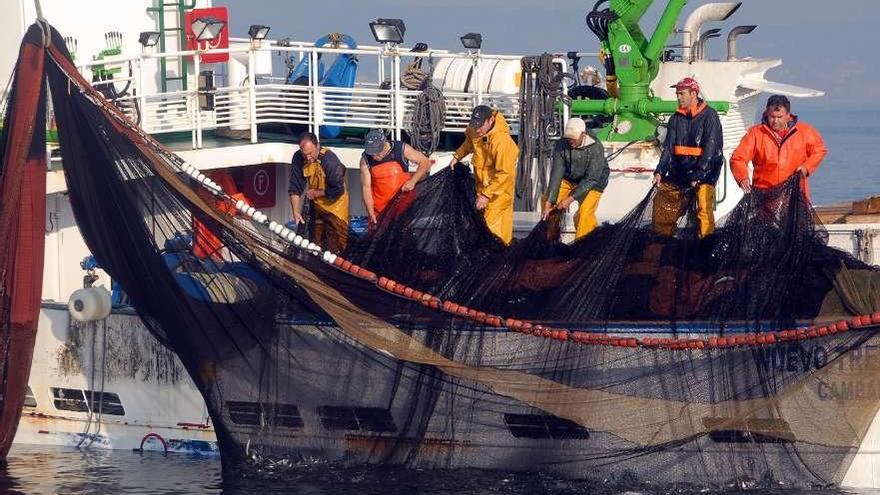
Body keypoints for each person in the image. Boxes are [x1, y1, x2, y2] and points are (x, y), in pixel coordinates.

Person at [652, 77, 723, 239]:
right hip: (680, 173)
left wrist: (698, 175)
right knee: (664, 204)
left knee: (703, 209)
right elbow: (669, 148)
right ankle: (660, 242)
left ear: (693, 94)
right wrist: (660, 171)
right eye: (677, 94)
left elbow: (711, 149)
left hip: (705, 174)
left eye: (682, 93)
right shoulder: (676, 118)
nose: (678, 97)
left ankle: (705, 244)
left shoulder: (710, 116)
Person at [447, 105, 519, 244]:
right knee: (480, 231)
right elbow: (469, 143)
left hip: (498, 195)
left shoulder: (502, 142)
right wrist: (457, 156)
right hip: (481, 189)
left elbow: (505, 174)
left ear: (491, 120)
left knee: (493, 235)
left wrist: (486, 195)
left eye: (480, 126)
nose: (477, 129)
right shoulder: (475, 131)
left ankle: (499, 261)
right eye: (475, 125)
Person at [731, 94, 828, 198]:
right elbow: (738, 158)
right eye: (772, 117)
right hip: (764, 196)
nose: (775, 121)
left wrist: (806, 168)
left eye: (779, 117)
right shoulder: (755, 133)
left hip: (795, 195)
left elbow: (819, 150)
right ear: (767, 114)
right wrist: (742, 177)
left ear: (788, 115)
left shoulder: (805, 131)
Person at [542, 117, 609, 239]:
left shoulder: (596, 147)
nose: (570, 141)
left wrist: (569, 200)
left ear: (583, 135)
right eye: (568, 138)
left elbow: (591, 178)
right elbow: (557, 173)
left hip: (594, 182)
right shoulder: (561, 144)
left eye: (573, 139)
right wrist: (549, 201)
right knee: (548, 202)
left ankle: (583, 247)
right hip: (569, 178)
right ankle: (550, 241)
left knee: (584, 215)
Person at [288, 132, 350, 252]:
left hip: (335, 207)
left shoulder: (329, 160)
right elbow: (295, 187)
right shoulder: (298, 158)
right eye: (304, 154)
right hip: (316, 206)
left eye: (310, 154)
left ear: (317, 146)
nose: (307, 158)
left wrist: (316, 193)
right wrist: (295, 211)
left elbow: (338, 189)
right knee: (315, 244)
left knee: (336, 245)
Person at [359, 128, 432, 225]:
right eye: (371, 153)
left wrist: (413, 181)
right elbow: (366, 188)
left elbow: (425, 162)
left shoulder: (401, 148)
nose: (374, 157)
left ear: (384, 145)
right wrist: (371, 212)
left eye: (377, 152)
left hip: (402, 204)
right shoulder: (365, 160)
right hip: (379, 208)